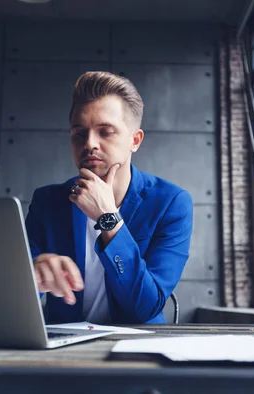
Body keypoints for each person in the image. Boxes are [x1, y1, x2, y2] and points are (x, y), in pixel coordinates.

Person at [24, 71, 193, 324]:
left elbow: (145, 308)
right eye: (79, 133)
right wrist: (35, 270)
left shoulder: (171, 203)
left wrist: (108, 219)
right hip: (62, 349)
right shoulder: (47, 202)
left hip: (136, 349)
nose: (89, 143)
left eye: (106, 132)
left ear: (134, 140)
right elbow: (17, 295)